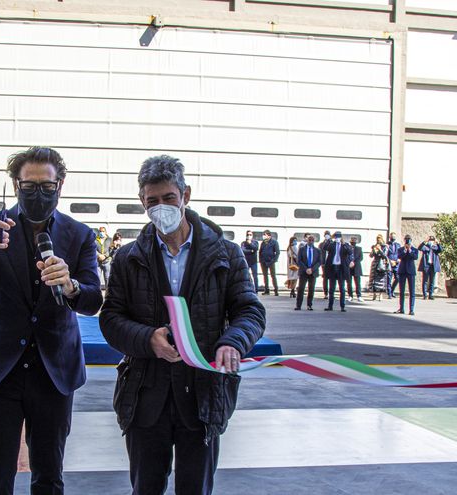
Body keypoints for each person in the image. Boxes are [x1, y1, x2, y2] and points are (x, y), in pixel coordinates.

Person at [100, 154, 266, 494]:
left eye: (169, 198)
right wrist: (148, 339)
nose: (161, 207)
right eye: (152, 201)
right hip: (146, 397)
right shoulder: (128, 258)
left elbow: (250, 311)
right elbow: (111, 319)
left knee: (195, 488)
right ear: (141, 202)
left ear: (185, 196)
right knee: (145, 487)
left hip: (202, 396)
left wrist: (232, 342)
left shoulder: (227, 254)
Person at [0, 147, 102, 494]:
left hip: (53, 370)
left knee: (49, 474)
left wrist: (71, 284)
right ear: (15, 185)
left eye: (46, 186)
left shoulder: (80, 235)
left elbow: (93, 300)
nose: (38, 193)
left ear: (60, 185)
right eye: (28, 186)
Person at [324, 231, 353, 312]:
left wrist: (343, 244)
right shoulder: (332, 244)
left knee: (342, 289)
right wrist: (329, 239)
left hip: (341, 268)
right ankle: (330, 306)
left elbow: (350, 252)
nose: (337, 239)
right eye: (336, 237)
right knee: (331, 289)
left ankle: (342, 306)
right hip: (333, 267)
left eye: (338, 237)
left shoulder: (345, 245)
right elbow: (325, 248)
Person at [295, 233, 321, 311]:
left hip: (313, 272)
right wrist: (306, 269)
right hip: (303, 272)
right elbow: (299, 260)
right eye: (310, 240)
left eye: (312, 240)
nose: (311, 241)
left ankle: (309, 305)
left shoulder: (317, 250)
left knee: (311, 289)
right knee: (301, 289)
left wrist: (311, 269)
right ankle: (298, 305)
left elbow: (319, 262)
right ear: (307, 240)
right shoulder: (302, 249)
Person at [395, 235, 419, 316]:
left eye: (409, 240)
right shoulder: (401, 249)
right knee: (402, 291)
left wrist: (410, 250)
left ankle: (411, 309)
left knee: (412, 291)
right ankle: (401, 308)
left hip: (411, 271)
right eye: (406, 240)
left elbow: (415, 257)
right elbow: (399, 256)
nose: (407, 241)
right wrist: (405, 250)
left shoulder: (414, 250)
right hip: (402, 271)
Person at [419, 235, 443, 300]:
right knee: (425, 280)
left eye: (432, 241)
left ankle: (431, 294)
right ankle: (425, 295)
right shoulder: (425, 247)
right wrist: (425, 241)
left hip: (433, 265)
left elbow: (441, 249)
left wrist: (437, 243)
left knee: (432, 280)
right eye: (430, 241)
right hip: (426, 265)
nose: (431, 242)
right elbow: (419, 248)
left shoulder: (435, 248)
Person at [259, 229, 280, 296]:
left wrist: (274, 260)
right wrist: (260, 260)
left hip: (271, 261)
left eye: (265, 235)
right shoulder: (263, 243)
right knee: (265, 276)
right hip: (263, 261)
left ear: (269, 235)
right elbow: (260, 251)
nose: (264, 236)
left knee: (273, 276)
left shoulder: (274, 242)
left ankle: (276, 290)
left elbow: (277, 252)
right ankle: (266, 290)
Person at [368, 234, 388, 301]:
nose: (378, 240)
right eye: (377, 239)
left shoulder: (384, 247)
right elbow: (370, 256)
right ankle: (374, 294)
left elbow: (385, 256)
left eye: (379, 239)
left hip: (381, 263)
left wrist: (380, 250)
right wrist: (373, 250)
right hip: (375, 263)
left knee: (381, 279)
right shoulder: (375, 246)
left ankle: (380, 294)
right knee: (373, 279)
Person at [347, 236, 364, 302]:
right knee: (349, 282)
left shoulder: (359, 249)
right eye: (352, 241)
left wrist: (354, 262)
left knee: (357, 282)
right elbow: (345, 257)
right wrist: (349, 262)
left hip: (356, 267)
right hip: (349, 267)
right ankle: (350, 295)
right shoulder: (348, 248)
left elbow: (361, 258)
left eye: (354, 241)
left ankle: (359, 295)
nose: (353, 242)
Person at [386, 232, 402, 298]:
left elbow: (400, 253)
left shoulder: (398, 245)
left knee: (398, 278)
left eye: (394, 236)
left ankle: (392, 290)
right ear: (390, 237)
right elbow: (385, 254)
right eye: (392, 236)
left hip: (396, 264)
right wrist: (389, 261)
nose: (393, 237)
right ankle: (389, 293)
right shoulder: (387, 244)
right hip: (389, 263)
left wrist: (399, 259)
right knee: (389, 278)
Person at [319, 230, 332, 298]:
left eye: (328, 234)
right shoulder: (321, 244)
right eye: (326, 234)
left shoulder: (332, 243)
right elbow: (319, 254)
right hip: (324, 263)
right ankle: (326, 293)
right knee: (325, 278)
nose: (327, 235)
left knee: (332, 278)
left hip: (331, 263)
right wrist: (321, 262)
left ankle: (331, 292)